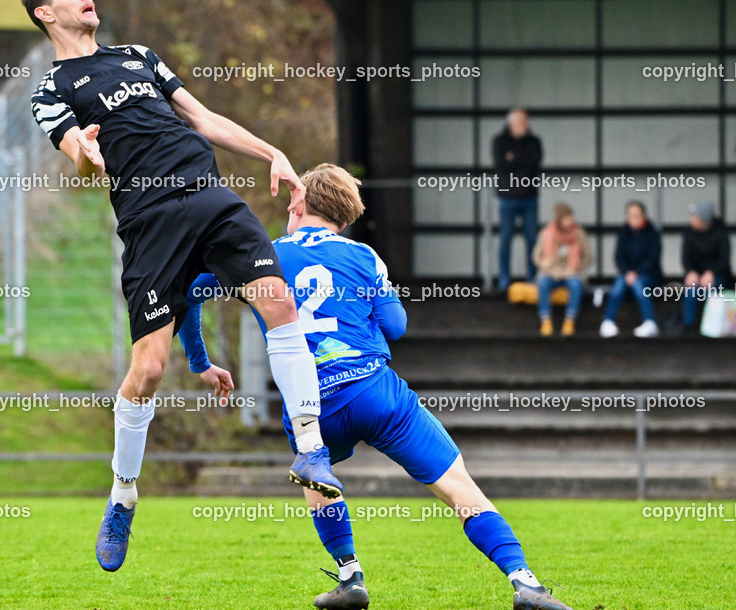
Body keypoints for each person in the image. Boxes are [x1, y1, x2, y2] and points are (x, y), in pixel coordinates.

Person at [22, 0, 341, 572]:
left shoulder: (139, 56)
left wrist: (272, 153)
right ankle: (123, 494)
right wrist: (87, 154)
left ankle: (310, 446)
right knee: (148, 369)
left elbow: (202, 118)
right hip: (150, 220)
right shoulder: (51, 90)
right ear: (46, 13)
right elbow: (77, 156)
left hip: (210, 196)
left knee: (278, 300)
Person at [181, 164, 574, 610]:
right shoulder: (363, 255)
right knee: (456, 485)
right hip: (374, 391)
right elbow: (396, 325)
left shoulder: (261, 257)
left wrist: (200, 361)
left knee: (317, 476)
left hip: (311, 405)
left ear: (298, 204)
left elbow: (191, 291)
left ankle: (350, 577)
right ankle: (525, 583)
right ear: (344, 217)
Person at [493, 109, 543, 291]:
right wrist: (521, 160)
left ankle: (533, 277)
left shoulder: (534, 141)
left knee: (532, 239)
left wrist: (513, 158)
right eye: (522, 121)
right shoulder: (500, 141)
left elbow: (535, 162)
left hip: (529, 196)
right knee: (505, 238)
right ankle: (504, 279)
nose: (526, 125)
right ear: (511, 123)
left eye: (526, 121)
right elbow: (501, 164)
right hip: (507, 197)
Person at [599, 201, 662, 338]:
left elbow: (652, 259)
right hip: (627, 274)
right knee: (618, 285)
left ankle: (650, 322)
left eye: (636, 215)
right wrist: (627, 272)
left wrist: (636, 272)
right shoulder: (624, 233)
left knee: (639, 286)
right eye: (630, 215)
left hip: (649, 275)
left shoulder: (652, 233)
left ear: (643, 215)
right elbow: (618, 257)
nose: (633, 218)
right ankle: (607, 321)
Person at [532, 203, 592, 337]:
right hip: (551, 272)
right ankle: (546, 320)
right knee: (542, 283)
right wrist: (543, 263)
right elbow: (536, 256)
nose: (571, 221)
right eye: (567, 218)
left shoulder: (578, 234)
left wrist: (578, 266)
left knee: (576, 284)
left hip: (571, 272)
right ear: (559, 220)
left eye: (571, 217)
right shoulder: (546, 233)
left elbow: (588, 256)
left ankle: (569, 320)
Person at [681, 201, 732, 333]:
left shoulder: (720, 233)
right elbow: (686, 258)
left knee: (710, 288)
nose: (692, 220)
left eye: (695, 217)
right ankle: (689, 325)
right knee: (691, 288)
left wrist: (712, 273)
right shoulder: (688, 233)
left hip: (718, 275)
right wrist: (691, 272)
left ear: (704, 220)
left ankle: (710, 327)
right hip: (697, 275)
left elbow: (724, 259)